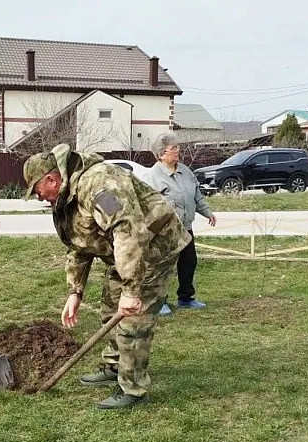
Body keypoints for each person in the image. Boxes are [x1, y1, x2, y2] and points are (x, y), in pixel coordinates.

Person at [23, 143, 191, 409]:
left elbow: (129, 232)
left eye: (37, 191)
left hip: (153, 249)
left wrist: (131, 292)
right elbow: (79, 245)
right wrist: (74, 291)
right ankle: (115, 366)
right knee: (110, 310)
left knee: (133, 321)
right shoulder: (69, 195)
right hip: (122, 254)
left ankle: (133, 388)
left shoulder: (99, 184)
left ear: (51, 179)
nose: (39, 198)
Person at [146, 132, 216, 316]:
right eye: (173, 148)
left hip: (186, 228)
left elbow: (196, 196)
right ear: (161, 154)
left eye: (178, 147)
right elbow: (146, 206)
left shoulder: (185, 171)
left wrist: (207, 212)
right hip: (165, 231)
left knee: (188, 262)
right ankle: (159, 301)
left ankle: (185, 298)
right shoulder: (153, 176)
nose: (178, 151)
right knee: (164, 267)